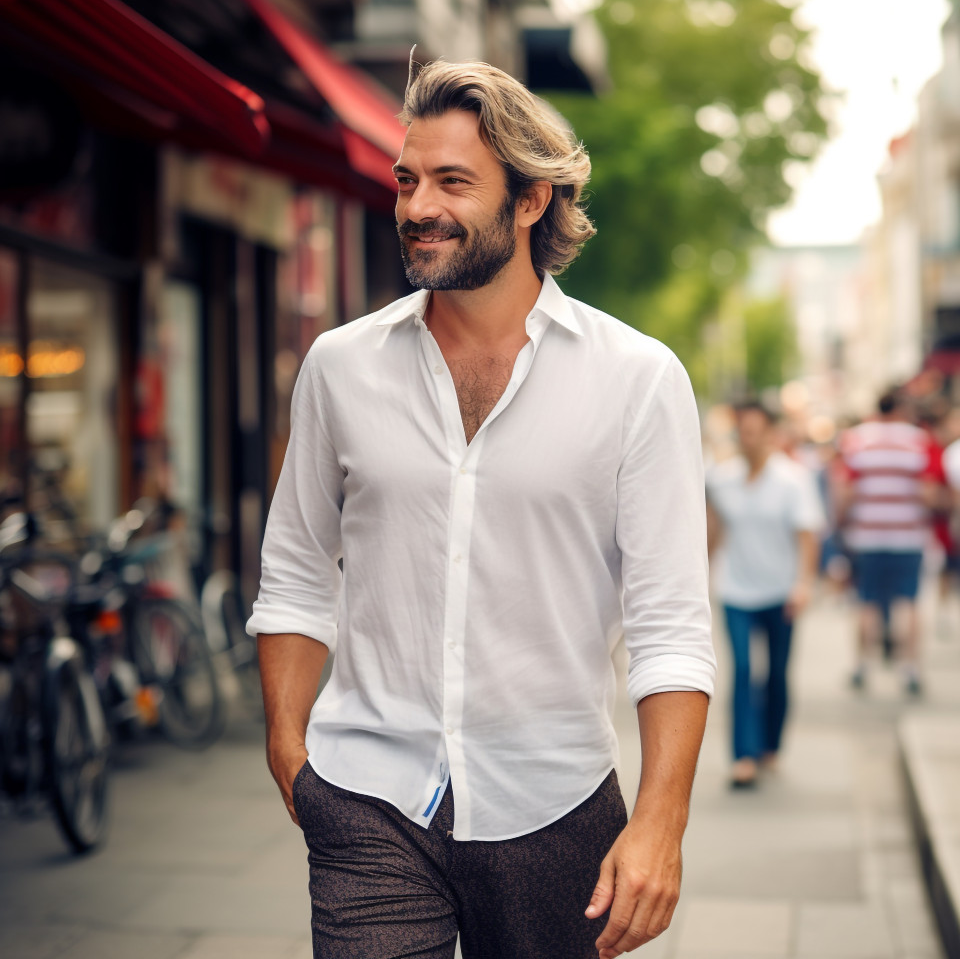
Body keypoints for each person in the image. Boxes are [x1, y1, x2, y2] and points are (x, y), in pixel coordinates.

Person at [247, 59, 716, 959]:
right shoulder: (340, 368)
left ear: (532, 200)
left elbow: (669, 625)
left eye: (453, 182)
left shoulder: (638, 380)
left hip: (555, 801)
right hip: (364, 798)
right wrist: (290, 754)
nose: (418, 205)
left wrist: (661, 823)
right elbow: (298, 568)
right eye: (407, 180)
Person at [706, 401, 823, 788]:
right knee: (741, 669)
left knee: (776, 673)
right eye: (742, 430)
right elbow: (713, 529)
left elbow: (807, 536)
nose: (746, 438)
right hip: (735, 589)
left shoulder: (793, 480)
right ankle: (744, 757)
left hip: (780, 591)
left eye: (754, 431)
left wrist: (803, 584)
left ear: (771, 435)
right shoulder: (722, 478)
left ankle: (770, 744)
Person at [837, 391, 936, 695]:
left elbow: (845, 493)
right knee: (907, 602)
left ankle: (861, 667)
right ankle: (909, 670)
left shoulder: (857, 440)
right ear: (902, 408)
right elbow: (930, 493)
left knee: (867, 602)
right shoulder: (920, 441)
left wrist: (841, 526)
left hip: (867, 536)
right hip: (908, 536)